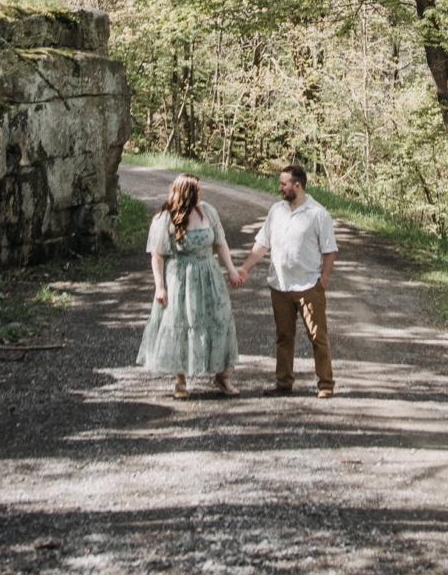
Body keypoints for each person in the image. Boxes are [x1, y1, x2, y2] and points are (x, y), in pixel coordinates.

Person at [236, 163, 339, 398]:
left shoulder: (318, 214)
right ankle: (283, 383)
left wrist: (323, 280)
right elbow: (262, 244)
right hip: (280, 285)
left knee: (318, 337)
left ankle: (325, 384)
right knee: (284, 337)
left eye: (284, 184)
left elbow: (330, 250)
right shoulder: (276, 210)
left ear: (297, 185)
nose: (280, 187)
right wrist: (245, 268)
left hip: (309, 286)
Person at [137, 174, 242, 399]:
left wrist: (232, 270)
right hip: (181, 278)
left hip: (209, 274)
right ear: (187, 193)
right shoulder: (165, 218)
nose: (201, 194)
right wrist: (160, 287)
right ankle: (180, 380)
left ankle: (223, 376)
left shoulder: (208, 212)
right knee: (181, 324)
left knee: (218, 319)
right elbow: (157, 256)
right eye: (197, 190)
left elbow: (220, 243)